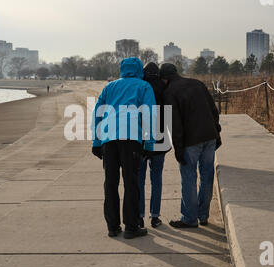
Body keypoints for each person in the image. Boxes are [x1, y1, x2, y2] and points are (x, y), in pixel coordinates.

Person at [91, 57, 157, 239]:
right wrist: (150, 143)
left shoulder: (109, 87)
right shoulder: (143, 86)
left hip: (108, 138)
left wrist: (96, 142)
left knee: (110, 183)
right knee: (131, 183)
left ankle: (112, 227)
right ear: (139, 70)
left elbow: (97, 114)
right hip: (131, 138)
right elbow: (149, 115)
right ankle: (131, 227)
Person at [160, 63, 221, 228]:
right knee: (207, 176)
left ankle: (189, 218)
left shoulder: (169, 93)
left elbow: (175, 124)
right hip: (209, 137)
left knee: (189, 178)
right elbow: (213, 111)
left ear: (164, 79)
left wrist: (178, 148)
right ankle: (203, 215)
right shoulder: (197, 83)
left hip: (190, 142)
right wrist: (217, 133)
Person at [137, 62, 171, 229]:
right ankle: (155, 216)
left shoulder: (140, 87)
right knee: (156, 179)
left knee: (139, 180)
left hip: (142, 140)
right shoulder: (165, 89)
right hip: (160, 139)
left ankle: (139, 216)